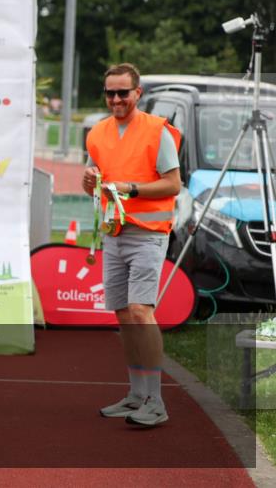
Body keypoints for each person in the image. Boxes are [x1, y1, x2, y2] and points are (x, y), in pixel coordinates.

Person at [82, 62, 180, 428]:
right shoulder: (98, 133)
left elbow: (173, 184)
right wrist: (89, 179)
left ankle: (156, 401)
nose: (117, 99)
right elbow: (92, 184)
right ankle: (137, 394)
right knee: (123, 315)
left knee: (140, 311)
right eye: (111, 93)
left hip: (149, 233)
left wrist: (129, 188)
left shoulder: (158, 131)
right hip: (115, 231)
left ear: (138, 94)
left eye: (124, 92)